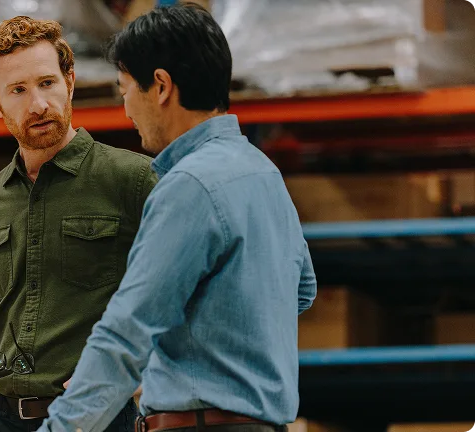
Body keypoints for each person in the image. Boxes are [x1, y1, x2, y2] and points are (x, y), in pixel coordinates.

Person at [37, 4, 317, 432]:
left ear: (162, 86)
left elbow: (127, 333)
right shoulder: (263, 172)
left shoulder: (189, 185)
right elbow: (301, 290)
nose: (126, 110)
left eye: (125, 90)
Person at [0, 15, 157, 432]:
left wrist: (141, 370)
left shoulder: (134, 181)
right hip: (2, 420)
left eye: (47, 83)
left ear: (69, 82)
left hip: (99, 418)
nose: (38, 104)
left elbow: (181, 295)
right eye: (18, 90)